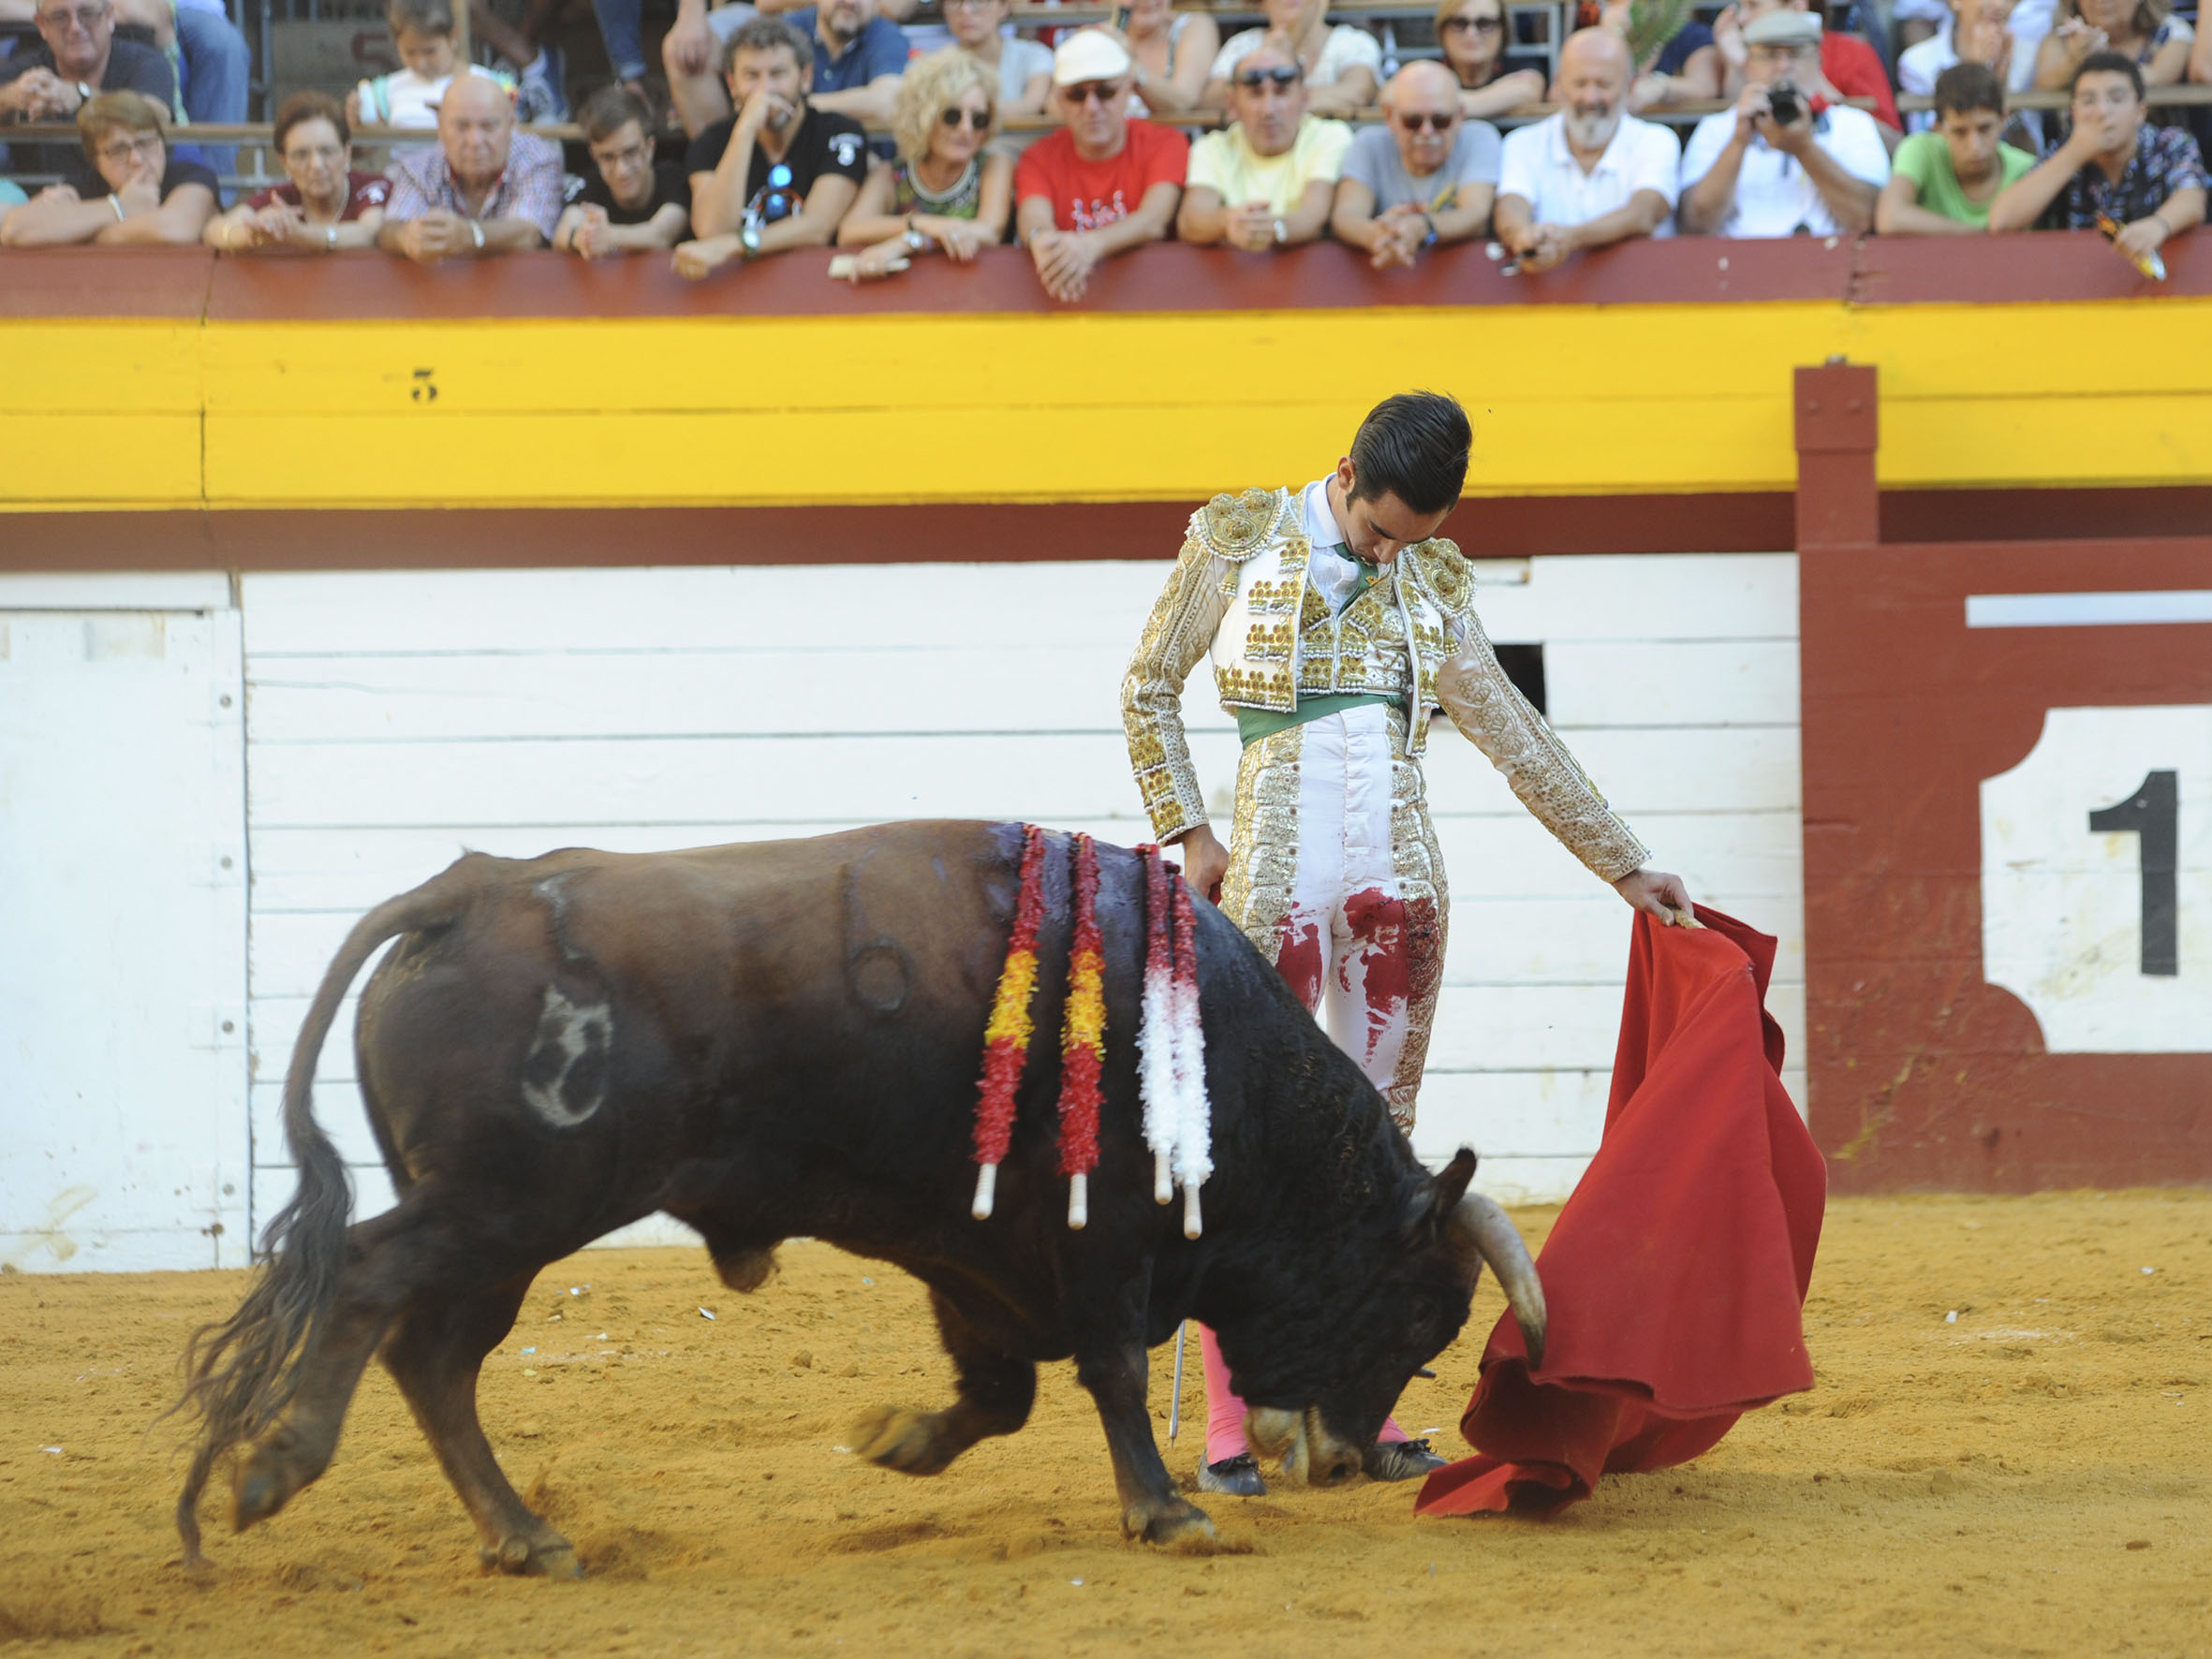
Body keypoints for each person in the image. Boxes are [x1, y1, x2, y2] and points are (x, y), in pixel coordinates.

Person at [1121, 390, 1688, 1496]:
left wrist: (1623, 863)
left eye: (1412, 539)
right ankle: (1234, 1428)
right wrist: (1186, 829)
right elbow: (1146, 687)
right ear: (1343, 475)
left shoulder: (1431, 577)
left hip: (1401, 894)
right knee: (1245, 1149)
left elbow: (1516, 734)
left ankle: (1360, 1413)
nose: (1390, 555)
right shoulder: (1236, 539)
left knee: (1379, 1160)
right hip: (1271, 887)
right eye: (1379, 530)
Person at [675, 15, 870, 278]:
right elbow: (712, 232)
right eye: (751, 76)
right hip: (738, 289)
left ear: (805, 77)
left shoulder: (840, 132)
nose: (765, 89)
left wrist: (738, 244)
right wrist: (745, 131)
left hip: (814, 284)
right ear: (732, 84)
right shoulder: (710, 142)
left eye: (778, 74)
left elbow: (818, 226)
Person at [1679, 7, 1889, 237]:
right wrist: (1739, 141)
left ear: (1818, 62)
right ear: (1747, 65)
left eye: (1796, 54)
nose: (1783, 66)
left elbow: (1866, 219)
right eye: (1770, 55)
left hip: (1832, 254)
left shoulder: (1852, 124)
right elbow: (1695, 225)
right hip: (1737, 256)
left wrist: (1804, 148)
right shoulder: (1717, 128)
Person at [1011, 31, 1187, 302]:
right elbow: (1034, 217)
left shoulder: (1165, 143)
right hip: (1070, 300)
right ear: (1060, 100)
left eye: (1105, 92)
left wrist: (1090, 245)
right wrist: (1042, 241)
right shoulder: (1038, 156)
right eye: (1077, 95)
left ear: (1128, 91)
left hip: (1155, 299)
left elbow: (1154, 220)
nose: (1092, 107)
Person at [1492, 27, 1678, 271]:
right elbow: (1511, 206)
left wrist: (1569, 239)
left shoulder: (1656, 140)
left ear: (1630, 86)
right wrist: (1523, 237)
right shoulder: (1523, 142)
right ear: (1559, 84)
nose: (1590, 98)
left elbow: (1644, 213)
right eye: (1580, 83)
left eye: (1604, 84)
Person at [1989, 48, 2205, 246]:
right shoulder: (2062, 151)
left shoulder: (2171, 143)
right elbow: (2002, 220)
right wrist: (2075, 153)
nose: (2102, 112)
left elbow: (2192, 199)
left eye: (2116, 99)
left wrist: (2158, 226)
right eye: (2088, 101)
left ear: (2140, 111)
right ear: (2073, 113)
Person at [835, 47, 1011, 279]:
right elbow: (850, 231)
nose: (966, 129)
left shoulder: (993, 165)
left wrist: (909, 242)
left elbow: (989, 231)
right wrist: (924, 224)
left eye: (979, 119)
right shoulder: (891, 174)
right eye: (952, 116)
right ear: (923, 116)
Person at [1178, 42, 1350, 249]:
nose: (1269, 109)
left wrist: (1272, 228)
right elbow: (1191, 220)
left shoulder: (1329, 136)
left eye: (1281, 92)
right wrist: (1229, 221)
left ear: (1304, 98)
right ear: (1232, 103)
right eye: (1256, 94)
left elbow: (1315, 215)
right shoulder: (1211, 147)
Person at [377, 69, 561, 261]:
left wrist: (472, 235)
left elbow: (531, 232)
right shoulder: (420, 168)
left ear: (510, 124)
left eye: (488, 126)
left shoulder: (537, 160)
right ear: (440, 127)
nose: (475, 141)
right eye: (462, 126)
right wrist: (406, 236)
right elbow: (390, 227)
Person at [1330, 58, 1498, 265]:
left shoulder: (1480, 138)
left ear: (1460, 116)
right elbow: (1346, 216)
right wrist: (1380, 237)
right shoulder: (1369, 143)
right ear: (1389, 116)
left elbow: (1476, 214)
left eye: (1440, 120)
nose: (1426, 131)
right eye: (1413, 121)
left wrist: (1421, 227)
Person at [663, 0, 911, 138]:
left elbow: (887, 103)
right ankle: (717, 162)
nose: (849, 1)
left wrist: (792, 107)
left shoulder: (886, 35)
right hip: (792, 155)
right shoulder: (785, 31)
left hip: (856, 159)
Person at [0, 88, 212, 244]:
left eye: (145, 143)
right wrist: (119, 207)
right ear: (96, 161)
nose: (136, 159)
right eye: (118, 150)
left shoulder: (191, 176)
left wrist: (80, 232)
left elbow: (175, 229)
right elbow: (15, 229)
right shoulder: (84, 185)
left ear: (161, 143)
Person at [0, 0, 175, 185]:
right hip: (40, 196)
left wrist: (81, 95)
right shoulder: (23, 69)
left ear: (109, 17)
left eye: (87, 14)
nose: (75, 27)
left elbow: (157, 113)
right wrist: (12, 97)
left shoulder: (146, 62)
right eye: (60, 17)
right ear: (42, 26)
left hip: (136, 189)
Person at [204, 90, 390, 254]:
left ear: (347, 152)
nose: (316, 165)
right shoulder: (280, 198)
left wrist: (300, 234)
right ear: (283, 162)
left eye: (327, 151)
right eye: (301, 155)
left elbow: (371, 232)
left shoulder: (371, 187)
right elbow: (213, 230)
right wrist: (253, 233)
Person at [1875, 62, 2037, 230]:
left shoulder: (2027, 169)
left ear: (2003, 118)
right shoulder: (1920, 149)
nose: (1975, 146)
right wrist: (1983, 239)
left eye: (1984, 129)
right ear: (1938, 128)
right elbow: (1890, 218)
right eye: (1960, 132)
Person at [1715, 0, 1901, 130]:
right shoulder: (1744, 50)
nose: (1741, 18)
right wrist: (1739, 66)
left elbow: (1893, 141)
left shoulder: (1853, 53)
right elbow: (1728, 129)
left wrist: (1827, 94)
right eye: (1741, 6)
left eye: (1753, 5)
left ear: (1797, 5)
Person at [553, 84, 689, 257]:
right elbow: (563, 231)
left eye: (630, 152)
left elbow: (662, 234)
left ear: (650, 148)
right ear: (594, 156)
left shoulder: (674, 178)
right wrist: (580, 238)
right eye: (608, 157)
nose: (621, 171)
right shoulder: (589, 183)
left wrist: (609, 236)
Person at [349, 0, 517, 131]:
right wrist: (358, 122)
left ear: (453, 36)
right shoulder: (384, 92)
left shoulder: (494, 86)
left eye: (430, 52)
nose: (421, 63)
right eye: (410, 53)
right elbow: (366, 148)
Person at [1204, 0, 1380, 120]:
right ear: (1261, 4)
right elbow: (1212, 101)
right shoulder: (1242, 44)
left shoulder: (1352, 41)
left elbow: (1358, 93)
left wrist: (1256, 99)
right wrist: (1266, 56)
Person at [1898, 0, 2041, 137]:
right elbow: (1928, 144)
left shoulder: (2029, 56)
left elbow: (2032, 149)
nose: (1999, 4)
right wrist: (1976, 73)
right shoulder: (1918, 62)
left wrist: (2005, 97)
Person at [2033, 0, 2190, 94]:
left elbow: (2159, 77)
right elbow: (2043, 84)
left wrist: (2103, 60)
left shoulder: (2173, 32)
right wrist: (2074, 60)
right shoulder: (2060, 37)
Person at [1592, 0, 1723, 110]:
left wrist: (1661, 86)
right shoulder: (1589, 29)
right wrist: (1609, 38)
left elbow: (1706, 87)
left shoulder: (1691, 34)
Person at [1434, 0, 1546, 121]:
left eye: (1484, 23)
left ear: (1503, 30)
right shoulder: (1429, 70)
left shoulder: (1521, 65)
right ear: (1442, 31)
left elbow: (1529, 89)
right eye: (1459, 23)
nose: (1471, 33)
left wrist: (1443, 106)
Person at [942, 0, 1050, 118]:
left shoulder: (1035, 56)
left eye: (979, 1)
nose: (966, 10)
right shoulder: (935, 67)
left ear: (1004, 6)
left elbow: (1031, 105)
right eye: (955, 1)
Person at [1113, 0, 1219, 119]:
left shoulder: (1194, 26)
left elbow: (1183, 102)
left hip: (1177, 129)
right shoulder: (1106, 34)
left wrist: (1135, 71)